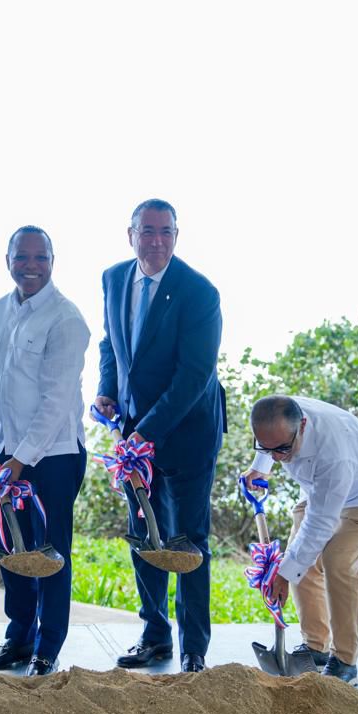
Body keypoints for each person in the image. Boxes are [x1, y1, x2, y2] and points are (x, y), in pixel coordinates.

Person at [93, 198, 225, 674]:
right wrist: (108, 391)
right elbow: (112, 342)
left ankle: (194, 649)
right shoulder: (112, 278)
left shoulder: (199, 292)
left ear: (176, 235)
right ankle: (155, 637)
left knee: (188, 542)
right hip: (134, 435)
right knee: (143, 536)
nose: (156, 241)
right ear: (130, 235)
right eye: (147, 231)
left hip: (188, 433)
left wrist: (145, 432)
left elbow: (194, 375)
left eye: (165, 232)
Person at [0, 226, 90, 677]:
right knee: (12, 549)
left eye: (40, 257)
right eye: (22, 257)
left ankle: (47, 646)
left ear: (53, 260)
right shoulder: (1, 309)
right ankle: (17, 637)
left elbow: (57, 402)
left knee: (51, 553)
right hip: (5, 453)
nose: (31, 266)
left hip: (52, 457)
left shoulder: (67, 319)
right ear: (8, 260)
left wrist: (21, 461)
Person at [242, 395, 358, 686]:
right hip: (319, 488)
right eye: (265, 447)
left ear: (302, 425)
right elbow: (273, 443)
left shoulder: (334, 453)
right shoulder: (280, 417)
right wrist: (261, 464)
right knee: (299, 561)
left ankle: (345, 661)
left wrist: (285, 573)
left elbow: (320, 523)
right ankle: (315, 648)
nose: (276, 456)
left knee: (336, 560)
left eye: (282, 449)